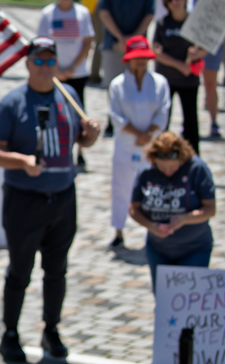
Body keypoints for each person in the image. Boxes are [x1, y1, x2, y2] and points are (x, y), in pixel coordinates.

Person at [0, 37, 100, 363]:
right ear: (28, 63)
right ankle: (10, 333)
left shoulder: (68, 95)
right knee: (20, 269)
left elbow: (81, 141)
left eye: (51, 61)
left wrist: (89, 136)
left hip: (63, 196)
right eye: (39, 61)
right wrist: (22, 162)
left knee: (57, 269)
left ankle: (51, 329)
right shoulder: (13, 103)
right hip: (25, 199)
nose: (45, 67)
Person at [129, 132, 216, 293]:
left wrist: (185, 218)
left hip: (195, 248)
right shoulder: (147, 171)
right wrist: (151, 225)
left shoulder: (197, 169)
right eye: (162, 167)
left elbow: (210, 208)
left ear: (182, 158)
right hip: (158, 249)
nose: (168, 172)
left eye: (173, 167)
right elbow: (134, 208)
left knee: (191, 300)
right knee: (164, 300)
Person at [108, 36, 170, 248]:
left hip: (151, 145)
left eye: (144, 57)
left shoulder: (160, 82)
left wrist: (149, 133)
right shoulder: (117, 84)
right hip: (126, 143)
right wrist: (137, 134)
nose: (141, 61)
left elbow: (163, 111)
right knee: (121, 187)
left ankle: (151, 231)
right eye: (137, 58)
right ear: (128, 59)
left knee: (153, 189)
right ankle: (118, 230)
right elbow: (115, 116)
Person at [37, 0, 95, 167]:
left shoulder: (82, 12)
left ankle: (80, 151)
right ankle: (55, 148)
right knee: (54, 111)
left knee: (78, 111)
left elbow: (87, 43)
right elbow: (41, 42)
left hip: (77, 72)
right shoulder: (48, 13)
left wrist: (72, 67)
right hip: (52, 71)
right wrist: (55, 68)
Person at [152, 0, 206, 155]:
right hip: (166, 79)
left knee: (191, 120)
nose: (175, 3)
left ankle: (193, 156)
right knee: (163, 119)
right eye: (171, 0)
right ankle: (161, 152)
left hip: (189, 80)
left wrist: (198, 54)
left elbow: (206, 46)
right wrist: (179, 65)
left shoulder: (194, 22)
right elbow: (156, 51)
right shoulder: (163, 23)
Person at [97, 0, 154, 136]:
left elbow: (149, 15)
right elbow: (104, 13)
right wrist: (121, 37)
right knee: (112, 85)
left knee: (138, 82)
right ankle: (114, 120)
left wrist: (133, 39)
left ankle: (138, 119)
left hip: (139, 47)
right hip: (114, 43)